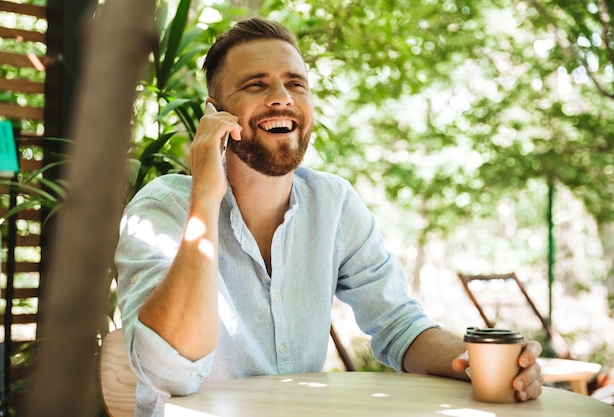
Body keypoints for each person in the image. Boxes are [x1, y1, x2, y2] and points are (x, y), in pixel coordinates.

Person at [114, 17, 544, 416]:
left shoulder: (333, 203)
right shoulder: (163, 209)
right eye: (256, 84)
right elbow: (168, 372)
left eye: (295, 84)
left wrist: (479, 362)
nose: (281, 97)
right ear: (214, 114)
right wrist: (205, 195)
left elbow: (398, 326)